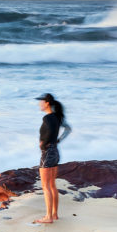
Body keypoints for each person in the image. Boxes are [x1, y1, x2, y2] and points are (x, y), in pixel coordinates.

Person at [34, 93, 71, 224]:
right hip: (55, 151)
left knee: (46, 186)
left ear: (47, 103)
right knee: (52, 185)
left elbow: (49, 131)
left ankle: (48, 217)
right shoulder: (57, 117)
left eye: (41, 101)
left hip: (47, 153)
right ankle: (54, 214)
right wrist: (58, 140)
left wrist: (43, 144)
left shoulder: (48, 118)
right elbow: (68, 129)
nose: (39, 104)